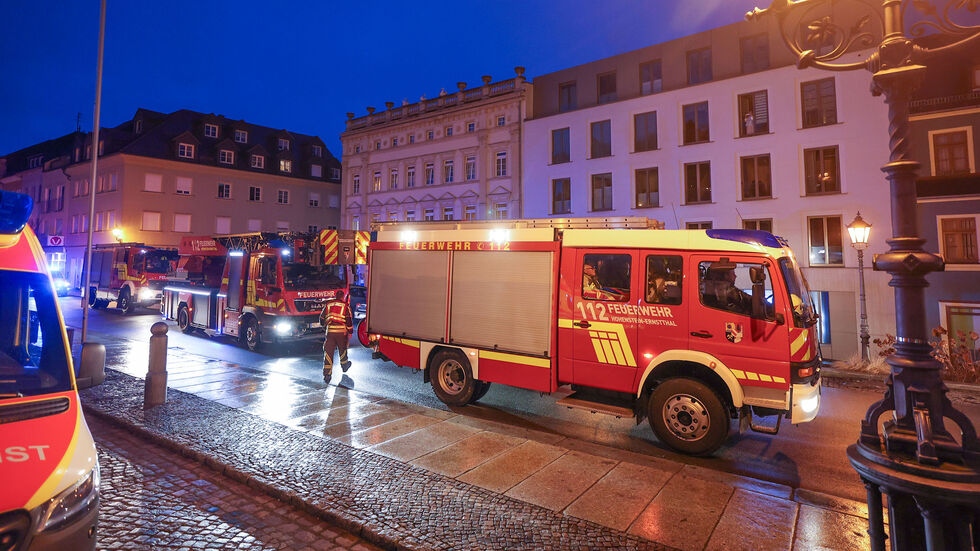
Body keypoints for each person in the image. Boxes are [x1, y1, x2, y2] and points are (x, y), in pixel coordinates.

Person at [320, 289, 353, 382]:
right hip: (341, 332)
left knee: (328, 353)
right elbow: (348, 320)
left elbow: (321, 319)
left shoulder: (328, 305)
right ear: (343, 297)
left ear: (335, 296)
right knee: (342, 349)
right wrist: (350, 331)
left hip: (330, 332)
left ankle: (327, 374)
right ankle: (344, 365)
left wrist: (325, 326)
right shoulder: (345, 306)